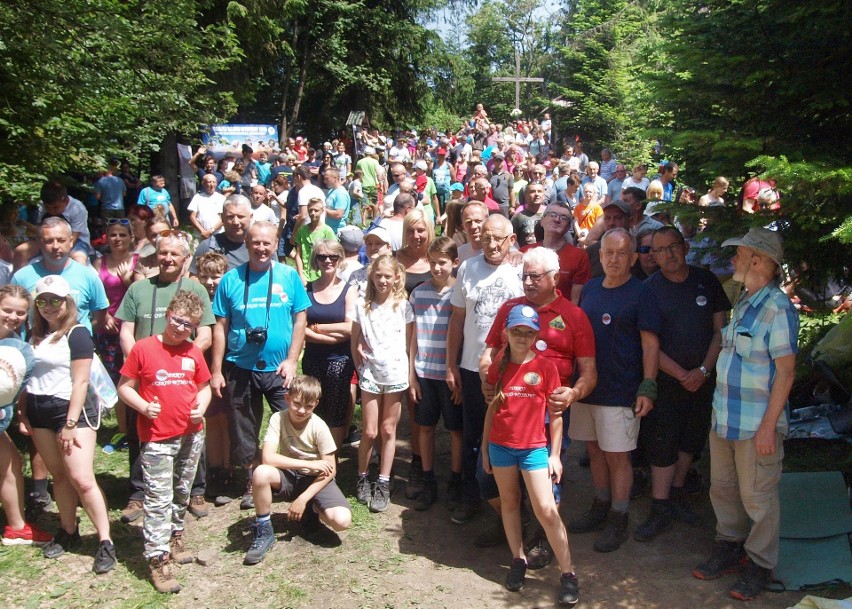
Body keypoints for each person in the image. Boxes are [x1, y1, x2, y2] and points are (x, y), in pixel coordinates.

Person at [693, 228, 798, 601]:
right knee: (723, 489)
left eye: (739, 254)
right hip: (726, 417)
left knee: (758, 497)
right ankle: (730, 546)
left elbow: (786, 373)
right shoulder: (744, 299)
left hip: (757, 425)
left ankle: (759, 565)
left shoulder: (778, 309)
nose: (733, 260)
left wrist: (769, 427)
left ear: (758, 261)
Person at [635, 226, 730, 542]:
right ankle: (659, 506)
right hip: (668, 381)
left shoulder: (707, 280)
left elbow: (720, 331)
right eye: (658, 250)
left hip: (704, 379)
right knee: (663, 440)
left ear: (685, 246)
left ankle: (676, 496)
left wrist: (703, 370)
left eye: (672, 247)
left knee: (692, 438)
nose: (667, 255)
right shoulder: (649, 289)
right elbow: (649, 344)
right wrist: (683, 374)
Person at [569, 228, 660, 553]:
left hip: (622, 389)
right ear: (601, 254)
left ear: (634, 257)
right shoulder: (591, 288)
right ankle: (600, 506)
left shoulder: (642, 292)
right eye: (608, 252)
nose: (614, 259)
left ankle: (619, 519)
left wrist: (647, 386)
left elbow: (650, 345)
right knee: (593, 450)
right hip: (587, 387)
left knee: (618, 456)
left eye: (622, 253)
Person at [481, 305, 579, 606]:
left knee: (546, 510)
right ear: (506, 333)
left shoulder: (546, 367)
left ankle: (568, 574)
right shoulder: (498, 364)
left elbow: (557, 415)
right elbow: (492, 408)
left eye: (528, 332)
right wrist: (485, 447)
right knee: (509, 504)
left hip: (534, 448)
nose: (522, 337)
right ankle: (518, 559)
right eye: (516, 331)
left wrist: (555, 455)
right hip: (500, 447)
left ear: (536, 334)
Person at [116, 229, 216, 523]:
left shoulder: (195, 289)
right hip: (144, 375)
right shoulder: (138, 289)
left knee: (191, 428)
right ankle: (138, 494)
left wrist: (182, 361)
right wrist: (142, 364)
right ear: (155, 255)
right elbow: (126, 331)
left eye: (175, 254)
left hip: (183, 377)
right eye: (163, 253)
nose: (168, 258)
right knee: (140, 432)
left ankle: (195, 490)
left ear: (186, 259)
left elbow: (206, 333)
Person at [211, 221, 310, 510]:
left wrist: (293, 360)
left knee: (293, 421)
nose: (261, 248)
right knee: (244, 427)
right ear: (247, 244)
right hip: (240, 367)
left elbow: (300, 318)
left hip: (280, 368)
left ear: (275, 243)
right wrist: (216, 370)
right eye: (256, 242)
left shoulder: (289, 276)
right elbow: (220, 326)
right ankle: (251, 479)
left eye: (267, 243)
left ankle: (293, 476)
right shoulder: (231, 280)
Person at [118, 291, 212, 593]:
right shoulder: (143, 349)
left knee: (182, 492)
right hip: (157, 437)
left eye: (188, 325)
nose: (180, 328)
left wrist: (202, 405)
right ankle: (158, 561)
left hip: (191, 434)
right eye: (177, 320)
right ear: (167, 314)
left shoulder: (192, 352)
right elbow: (125, 388)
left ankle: (175, 537)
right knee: (158, 500)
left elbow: (204, 387)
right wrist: (143, 407)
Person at [21, 275, 115, 573]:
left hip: (71, 413)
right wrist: (23, 413)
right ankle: (69, 530)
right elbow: (27, 379)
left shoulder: (77, 334)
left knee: (82, 478)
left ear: (67, 302)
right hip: (39, 411)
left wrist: (71, 423)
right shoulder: (33, 335)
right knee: (59, 476)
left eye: (55, 300)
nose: (49, 306)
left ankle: (105, 541)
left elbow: (81, 381)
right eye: (42, 301)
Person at [446, 214, 524, 526]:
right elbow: (456, 319)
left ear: (512, 241)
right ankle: (471, 496)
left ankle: (509, 504)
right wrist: (450, 363)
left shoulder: (520, 270)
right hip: (470, 366)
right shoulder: (467, 268)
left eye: (498, 239)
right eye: (487, 237)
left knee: (506, 439)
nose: (491, 244)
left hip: (510, 372)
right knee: (472, 437)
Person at [243, 375, 352, 565]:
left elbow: (331, 470)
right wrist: (308, 464)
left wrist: (303, 498)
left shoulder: (319, 426)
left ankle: (312, 510)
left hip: (316, 479)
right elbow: (268, 457)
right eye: (297, 404)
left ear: (316, 404)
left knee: (342, 521)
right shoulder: (278, 418)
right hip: (292, 475)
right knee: (260, 472)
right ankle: (264, 529)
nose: (302, 410)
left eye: (308, 406)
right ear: (287, 399)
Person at [350, 254, 414, 513]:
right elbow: (355, 342)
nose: (383, 280)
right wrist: (361, 366)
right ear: (371, 277)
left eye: (388, 276)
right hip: (371, 376)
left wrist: (410, 375)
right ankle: (362, 476)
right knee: (369, 431)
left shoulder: (403, 306)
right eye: (378, 276)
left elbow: (411, 344)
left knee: (388, 430)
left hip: (396, 376)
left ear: (396, 277)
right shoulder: (361, 306)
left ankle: (384, 482)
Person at [408, 237, 462, 511]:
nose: (437, 268)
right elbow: (413, 336)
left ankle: (456, 480)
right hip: (425, 372)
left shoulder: (460, 294)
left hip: (450, 375)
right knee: (425, 426)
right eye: (432, 263)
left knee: (455, 430)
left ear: (454, 263)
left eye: (442, 263)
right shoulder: (418, 293)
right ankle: (428, 479)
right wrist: (412, 376)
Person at [0, 287, 52, 546]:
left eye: (20, 312)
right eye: (7, 310)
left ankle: (17, 527)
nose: (13, 316)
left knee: (11, 462)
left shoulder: (15, 343)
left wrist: (19, 413)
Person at [302, 239, 356, 447]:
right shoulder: (307, 289)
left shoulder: (348, 290)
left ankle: (331, 460)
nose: (327, 261)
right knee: (312, 408)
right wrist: (328, 335)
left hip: (339, 361)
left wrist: (316, 328)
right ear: (315, 259)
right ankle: (313, 453)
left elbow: (350, 328)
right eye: (322, 256)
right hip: (313, 359)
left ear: (340, 258)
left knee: (336, 412)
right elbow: (300, 328)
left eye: (332, 256)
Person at [92, 219, 138, 438]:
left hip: (134, 329)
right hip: (108, 329)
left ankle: (139, 424)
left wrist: (126, 279)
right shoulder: (98, 263)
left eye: (122, 235)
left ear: (131, 237)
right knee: (115, 377)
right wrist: (105, 314)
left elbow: (141, 294)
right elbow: (94, 295)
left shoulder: (139, 261)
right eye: (113, 235)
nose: (118, 239)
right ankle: (123, 430)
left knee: (136, 377)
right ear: (106, 238)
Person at [194, 252, 233, 505]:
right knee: (210, 417)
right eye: (205, 276)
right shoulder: (196, 302)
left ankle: (228, 470)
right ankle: (213, 469)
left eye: (216, 276)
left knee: (226, 418)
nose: (210, 282)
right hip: (202, 365)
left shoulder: (228, 297)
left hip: (226, 363)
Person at [189, 195, 251, 274]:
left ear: (251, 217)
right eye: (230, 217)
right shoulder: (208, 246)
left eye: (240, 216)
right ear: (222, 218)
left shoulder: (262, 247)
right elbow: (194, 279)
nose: (236, 222)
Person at [295, 197, 336, 285]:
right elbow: (298, 254)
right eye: (310, 210)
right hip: (305, 274)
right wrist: (301, 274)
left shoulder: (327, 231)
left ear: (322, 211)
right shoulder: (302, 230)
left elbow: (334, 254)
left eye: (316, 210)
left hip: (321, 274)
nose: (313, 213)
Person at [188, 174, 225, 239]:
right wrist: (202, 231)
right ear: (203, 183)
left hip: (217, 234)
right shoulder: (197, 197)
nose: (212, 185)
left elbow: (223, 218)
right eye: (209, 182)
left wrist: (211, 231)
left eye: (214, 182)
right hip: (200, 235)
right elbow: (192, 217)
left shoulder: (222, 198)